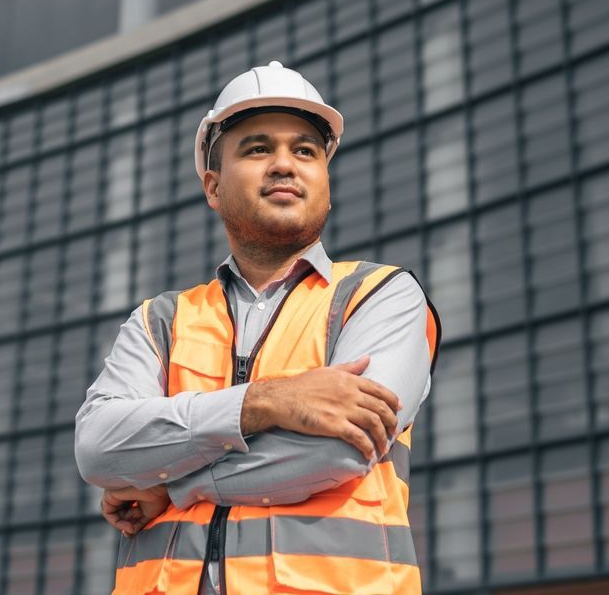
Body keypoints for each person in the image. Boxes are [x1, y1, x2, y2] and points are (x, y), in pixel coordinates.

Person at [75, 61, 441, 594]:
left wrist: (173, 485)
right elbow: (98, 448)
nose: (284, 165)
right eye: (257, 148)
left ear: (327, 184)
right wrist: (263, 403)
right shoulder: (160, 321)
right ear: (213, 187)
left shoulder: (378, 296)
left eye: (306, 150)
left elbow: (339, 450)